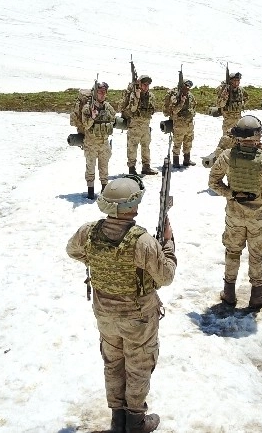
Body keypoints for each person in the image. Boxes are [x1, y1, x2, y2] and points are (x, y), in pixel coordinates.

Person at [67, 176, 177, 433]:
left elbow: (73, 250)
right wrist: (169, 246)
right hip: (138, 318)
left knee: (113, 362)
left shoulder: (89, 231)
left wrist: (98, 263)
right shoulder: (143, 241)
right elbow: (166, 276)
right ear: (133, 206)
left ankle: (118, 419)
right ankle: (136, 421)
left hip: (105, 313)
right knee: (138, 365)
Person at [208, 115, 262, 309]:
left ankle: (229, 293)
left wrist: (230, 194)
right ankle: (257, 295)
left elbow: (213, 183)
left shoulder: (226, 156)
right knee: (257, 255)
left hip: (234, 215)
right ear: (257, 136)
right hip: (258, 217)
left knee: (232, 251)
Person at [81, 82, 116, 199]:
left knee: (104, 169)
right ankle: (90, 191)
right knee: (90, 168)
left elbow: (113, 119)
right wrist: (92, 117)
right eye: (100, 92)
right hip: (91, 144)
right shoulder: (87, 107)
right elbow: (85, 125)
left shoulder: (107, 106)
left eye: (104, 92)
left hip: (104, 143)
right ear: (95, 93)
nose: (102, 94)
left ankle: (104, 190)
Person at [123, 75, 159, 176]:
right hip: (134, 126)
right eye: (144, 84)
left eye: (148, 85)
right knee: (132, 148)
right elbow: (132, 109)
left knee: (146, 147)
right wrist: (137, 97)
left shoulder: (150, 96)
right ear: (139, 84)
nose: (146, 86)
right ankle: (132, 169)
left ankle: (146, 167)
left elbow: (153, 109)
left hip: (146, 126)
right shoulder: (133, 95)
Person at [163, 79, 197, 168]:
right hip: (179, 123)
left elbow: (193, 107)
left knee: (188, 141)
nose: (187, 88)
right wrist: (181, 102)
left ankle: (186, 160)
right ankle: (176, 161)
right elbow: (174, 111)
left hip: (189, 123)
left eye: (189, 86)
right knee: (177, 142)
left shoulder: (190, 96)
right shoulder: (175, 96)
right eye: (186, 86)